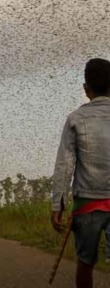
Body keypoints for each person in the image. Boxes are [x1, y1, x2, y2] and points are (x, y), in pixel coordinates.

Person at [51, 58, 110, 288]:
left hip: (87, 204)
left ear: (86, 89)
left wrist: (58, 204)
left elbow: (64, 165)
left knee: (86, 262)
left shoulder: (75, 119)